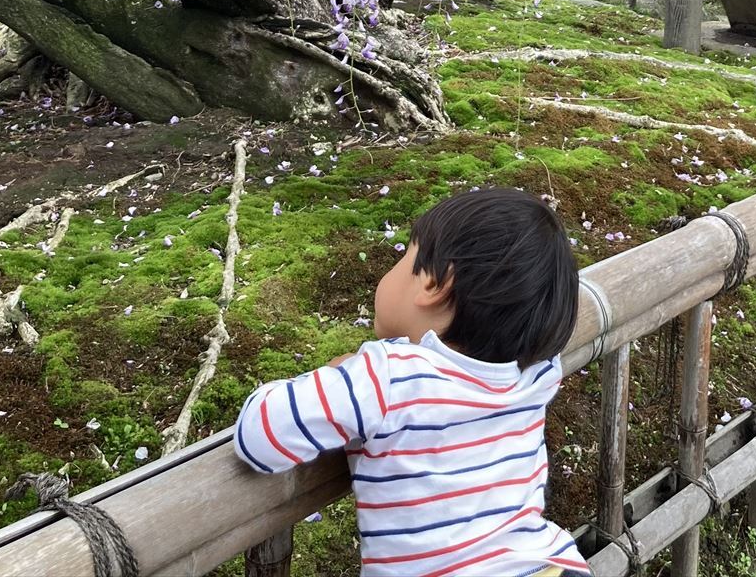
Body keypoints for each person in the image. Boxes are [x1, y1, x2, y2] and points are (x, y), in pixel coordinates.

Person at [235, 187, 587, 574]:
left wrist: (337, 376)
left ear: (434, 285)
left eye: (406, 254)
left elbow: (259, 435)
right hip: (548, 566)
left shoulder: (387, 377)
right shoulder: (535, 374)